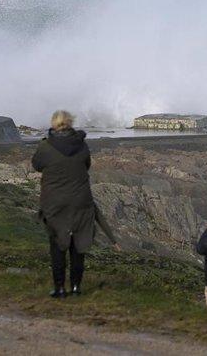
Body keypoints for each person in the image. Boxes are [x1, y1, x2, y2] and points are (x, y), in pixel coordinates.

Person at [32, 110, 119, 298]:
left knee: (58, 245)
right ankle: (76, 288)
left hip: (55, 203)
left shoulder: (45, 147)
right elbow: (86, 165)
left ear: (53, 124)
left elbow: (36, 165)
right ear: (70, 123)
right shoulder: (82, 146)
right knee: (78, 246)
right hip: (80, 201)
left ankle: (59, 288)